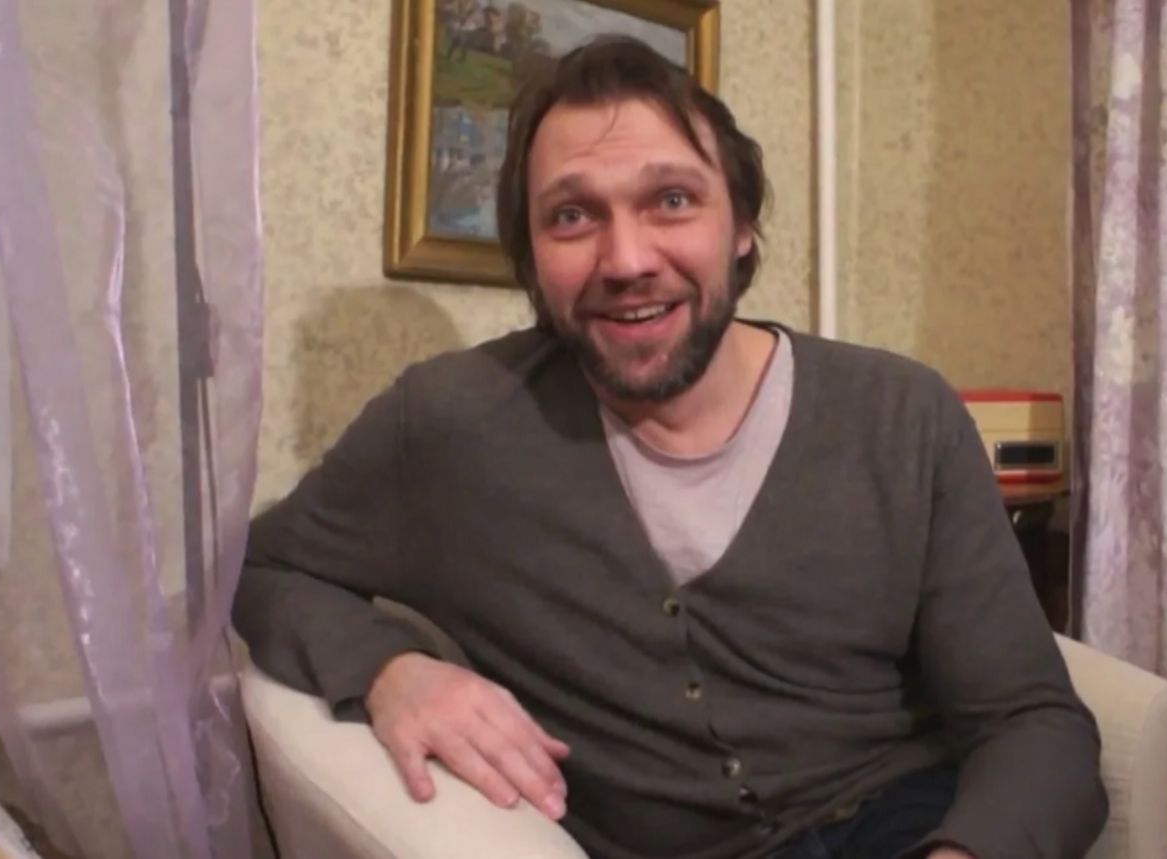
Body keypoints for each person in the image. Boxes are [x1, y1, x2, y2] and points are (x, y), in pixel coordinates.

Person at [234, 36, 1108, 859]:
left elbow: (1032, 721)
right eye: (572, 215)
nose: (627, 259)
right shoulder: (449, 425)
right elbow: (256, 570)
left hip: (911, 826)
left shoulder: (902, 416)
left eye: (673, 201)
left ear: (742, 225)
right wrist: (390, 669)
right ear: (531, 256)